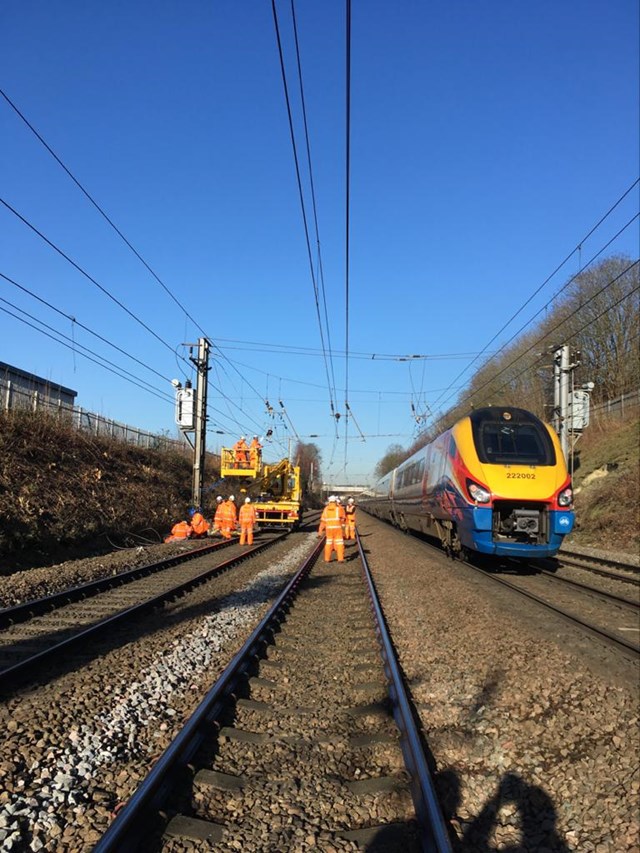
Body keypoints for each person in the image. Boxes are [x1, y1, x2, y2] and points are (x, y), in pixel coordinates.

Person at [318, 495, 345, 563]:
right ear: (335, 501)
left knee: (328, 543)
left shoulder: (326, 509)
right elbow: (343, 519)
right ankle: (340, 559)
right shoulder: (339, 508)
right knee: (339, 543)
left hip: (329, 530)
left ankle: (327, 559)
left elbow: (323, 521)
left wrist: (320, 532)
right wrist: (343, 527)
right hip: (337, 529)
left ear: (329, 501)